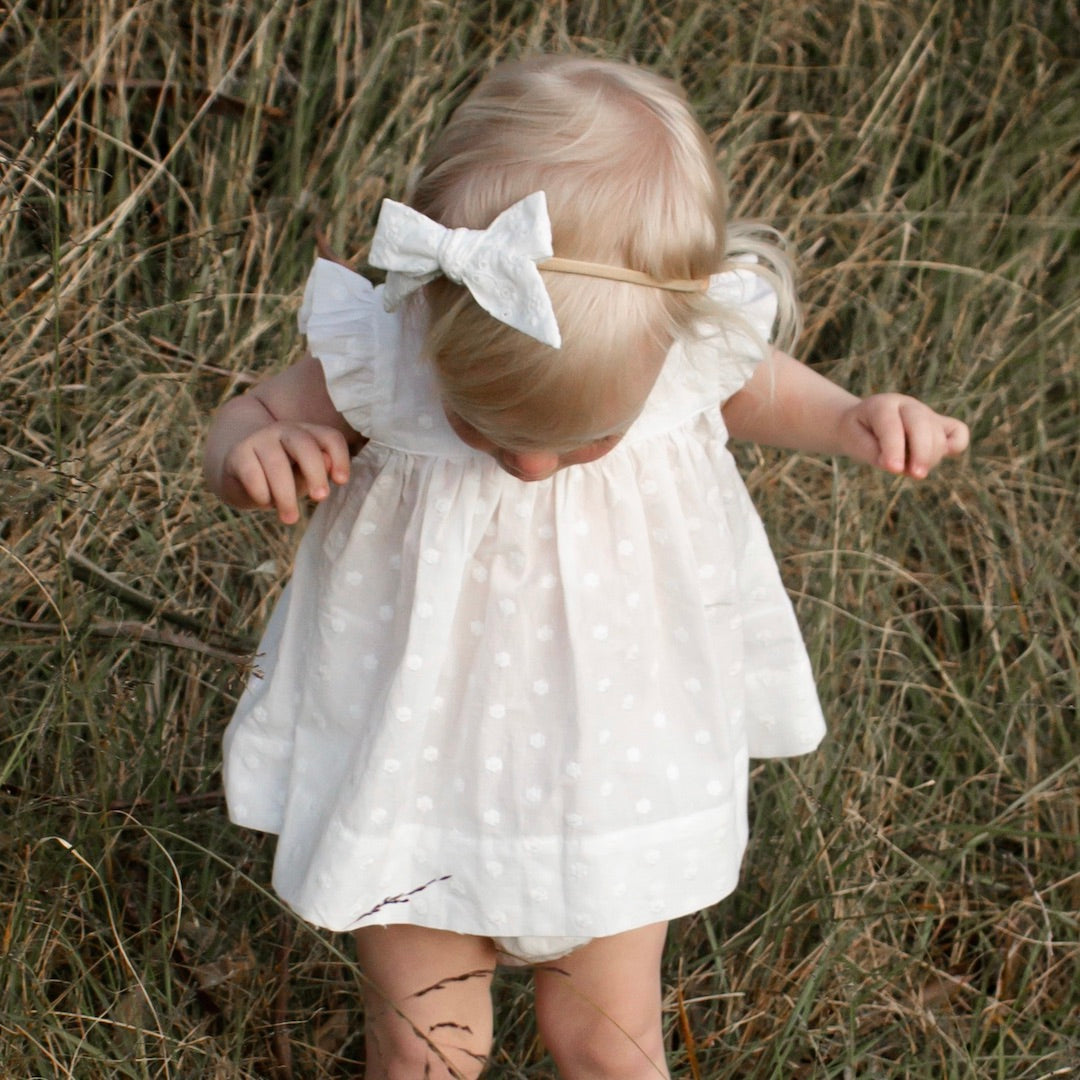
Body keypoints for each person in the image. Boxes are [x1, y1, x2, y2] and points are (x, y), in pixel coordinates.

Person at [203, 55, 968, 1080]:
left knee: (608, 1042)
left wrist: (851, 416)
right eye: (488, 427)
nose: (528, 468)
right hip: (418, 756)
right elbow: (252, 411)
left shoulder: (670, 346)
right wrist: (249, 452)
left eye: (579, 441)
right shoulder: (394, 347)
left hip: (613, 765)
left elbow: (757, 390)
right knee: (430, 1043)